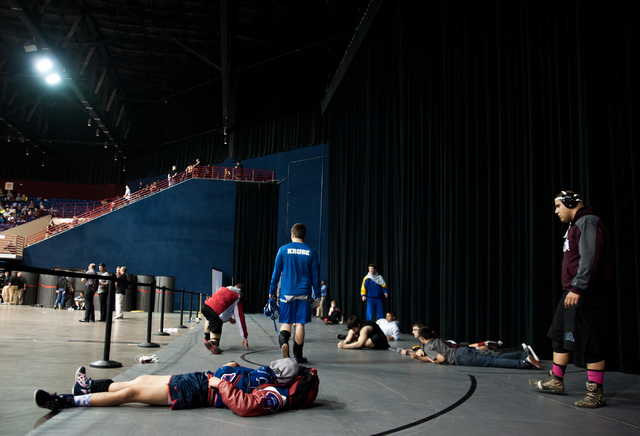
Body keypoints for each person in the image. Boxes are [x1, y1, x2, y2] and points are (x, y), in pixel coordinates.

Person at [529, 190, 614, 408]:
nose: (556, 211)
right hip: (572, 291)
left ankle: (596, 393)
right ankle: (556, 380)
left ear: (570, 202)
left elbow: (590, 257)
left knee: (591, 341)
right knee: (558, 333)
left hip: (586, 292)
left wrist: (578, 288)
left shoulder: (588, 221)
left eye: (558, 206)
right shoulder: (576, 225)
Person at [35, 358, 318, 417]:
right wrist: (232, 368)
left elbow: (247, 406)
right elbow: (248, 380)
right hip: (197, 378)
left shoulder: (276, 394)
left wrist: (220, 383)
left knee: (130, 395)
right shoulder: (268, 376)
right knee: (139, 380)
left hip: (198, 390)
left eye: (276, 369)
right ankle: (87, 388)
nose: (271, 367)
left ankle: (65, 401)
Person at [269, 223, 320, 363]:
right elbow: (316, 277)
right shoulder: (311, 252)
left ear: (292, 235)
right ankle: (298, 356)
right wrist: (318, 295)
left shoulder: (283, 250)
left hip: (287, 294)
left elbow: (276, 273)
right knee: (300, 324)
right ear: (304, 235)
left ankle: (284, 345)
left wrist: (271, 291)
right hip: (304, 294)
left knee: (286, 322)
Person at [411, 327, 541, 369]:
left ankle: (523, 363)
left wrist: (428, 360)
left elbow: (440, 358)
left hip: (458, 357)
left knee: (491, 361)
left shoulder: (428, 347)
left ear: (422, 337)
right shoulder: (434, 340)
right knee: (491, 355)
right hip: (461, 350)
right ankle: (520, 354)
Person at [201, 284, 249, 354]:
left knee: (209, 318)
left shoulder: (224, 289)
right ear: (242, 293)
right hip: (214, 313)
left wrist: (229, 319)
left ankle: (207, 338)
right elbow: (240, 318)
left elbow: (224, 308)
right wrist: (244, 337)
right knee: (216, 327)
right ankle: (212, 342)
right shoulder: (237, 298)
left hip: (205, 306)